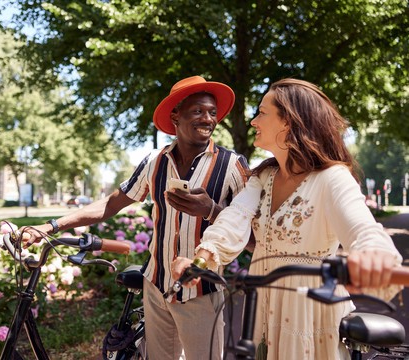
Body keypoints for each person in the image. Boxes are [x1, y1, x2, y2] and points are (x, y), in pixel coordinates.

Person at [20, 75, 251, 359]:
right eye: (198, 111)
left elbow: (253, 236)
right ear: (175, 116)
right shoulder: (154, 162)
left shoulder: (232, 166)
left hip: (202, 293)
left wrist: (210, 211)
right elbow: (111, 203)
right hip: (155, 288)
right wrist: (52, 225)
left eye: (212, 112)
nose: (208, 119)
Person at [171, 78, 403, 360]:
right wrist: (202, 258)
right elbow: (236, 216)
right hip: (262, 303)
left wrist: (373, 257)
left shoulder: (333, 178)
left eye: (262, 113)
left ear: (288, 122)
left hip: (308, 308)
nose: (254, 121)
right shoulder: (263, 177)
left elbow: (361, 227)